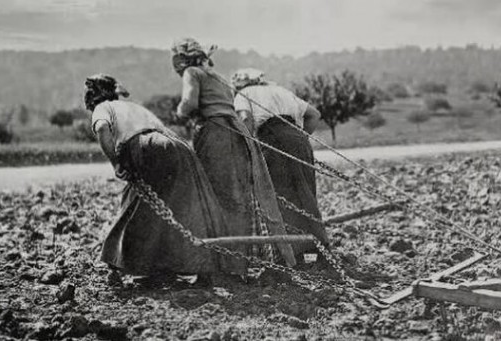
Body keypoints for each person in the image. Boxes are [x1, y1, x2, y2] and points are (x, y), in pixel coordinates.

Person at [84, 73, 240, 285]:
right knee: (188, 206)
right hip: (178, 146)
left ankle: (121, 263)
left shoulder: (103, 107)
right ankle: (200, 268)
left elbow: (103, 129)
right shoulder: (135, 107)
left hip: (148, 146)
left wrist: (115, 162)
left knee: (137, 202)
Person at [171, 38, 296, 267]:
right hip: (236, 133)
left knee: (217, 195)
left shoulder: (192, 72)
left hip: (215, 133)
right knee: (237, 196)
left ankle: (226, 263)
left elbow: (188, 103)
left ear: (182, 60)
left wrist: (177, 114)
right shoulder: (218, 77)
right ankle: (241, 262)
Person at [232, 69, 329, 260]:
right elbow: (314, 115)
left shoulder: (244, 94)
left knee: (279, 196)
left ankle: (288, 254)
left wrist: (251, 146)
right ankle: (318, 248)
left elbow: (245, 118)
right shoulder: (280, 90)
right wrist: (298, 138)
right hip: (299, 140)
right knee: (305, 192)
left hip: (271, 140)